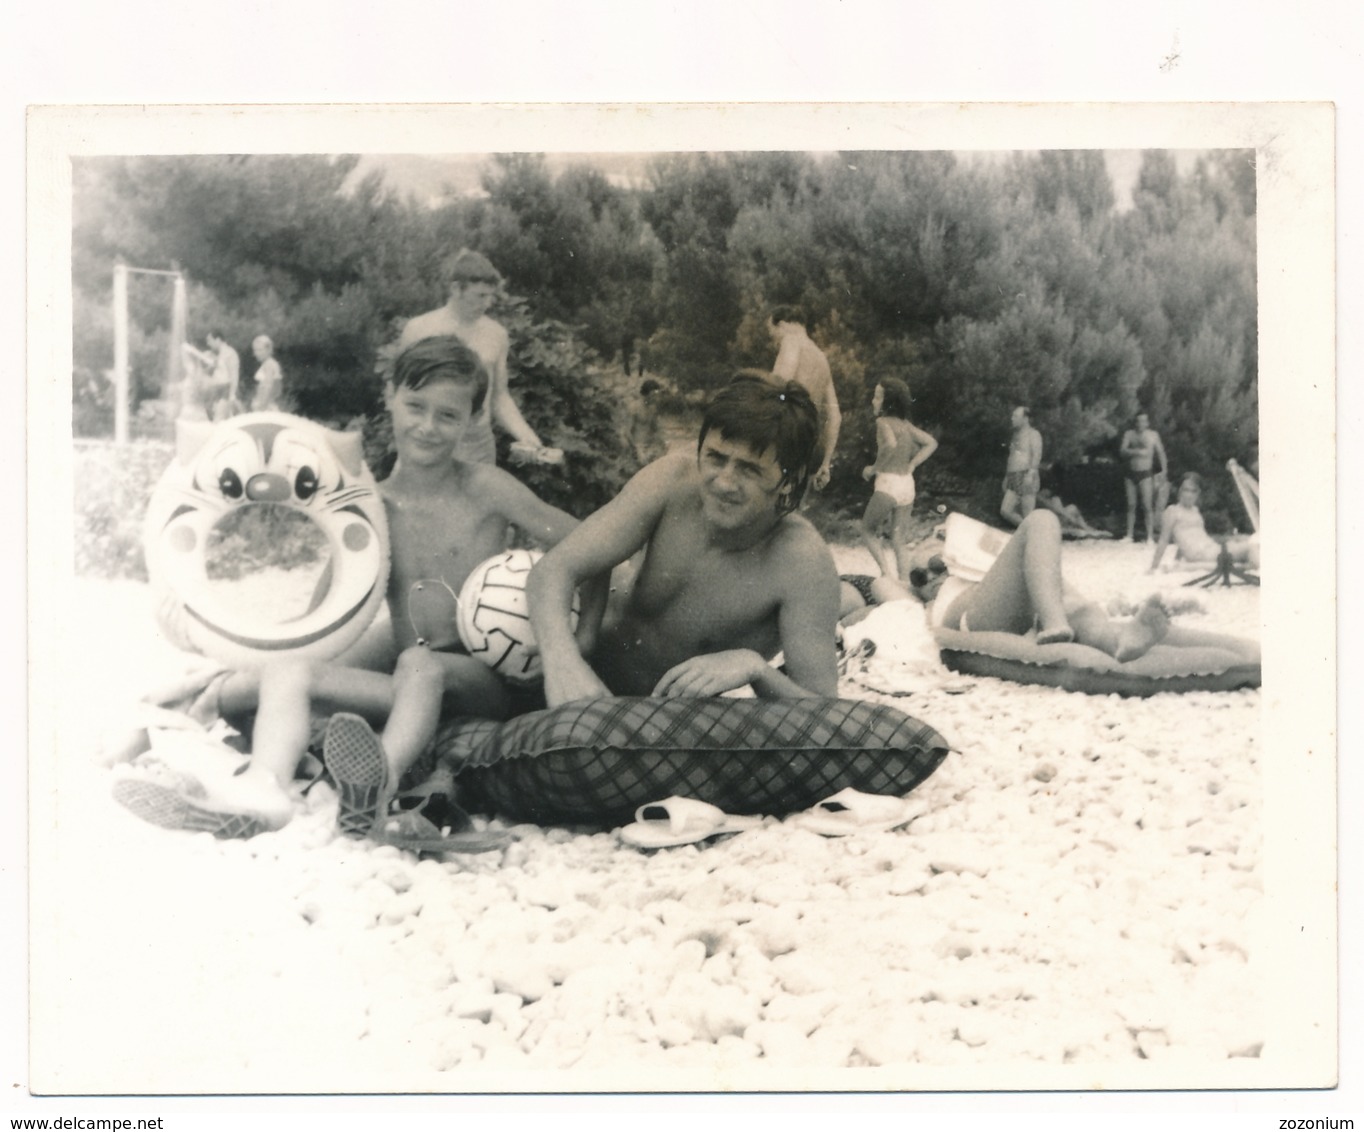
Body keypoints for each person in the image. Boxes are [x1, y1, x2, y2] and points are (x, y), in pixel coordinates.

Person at [159, 336, 603, 835]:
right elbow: (321, 618)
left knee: (418, 661)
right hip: (407, 682)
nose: (428, 427)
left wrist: (578, 645)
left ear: (472, 420)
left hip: (485, 683)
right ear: (389, 396)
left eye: (448, 416)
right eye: (416, 407)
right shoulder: (372, 507)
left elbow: (592, 548)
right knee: (291, 672)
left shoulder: (486, 488)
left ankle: (374, 790)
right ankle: (264, 789)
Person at [528, 376, 841, 708]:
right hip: (582, 674)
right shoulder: (671, 481)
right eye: (716, 458)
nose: (723, 482)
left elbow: (826, 712)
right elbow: (553, 569)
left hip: (661, 722)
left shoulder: (802, 561)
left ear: (788, 483)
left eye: (749, 470)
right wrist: (565, 658)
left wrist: (756, 669)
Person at [913, 510, 1170, 662]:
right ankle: (1055, 622)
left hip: (1022, 613)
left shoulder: (973, 569)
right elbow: (884, 587)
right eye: (918, 577)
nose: (930, 576)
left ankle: (1117, 643)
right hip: (974, 615)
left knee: (1075, 607)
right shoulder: (931, 602)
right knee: (1041, 520)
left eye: (937, 564)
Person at [397, 249, 547, 466]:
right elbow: (398, 392)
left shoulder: (497, 334)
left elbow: (499, 397)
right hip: (427, 439)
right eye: (480, 296)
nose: (488, 304)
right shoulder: (419, 329)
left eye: (490, 296)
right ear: (456, 289)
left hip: (477, 445)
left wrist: (526, 435)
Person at [860, 378, 938, 581]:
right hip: (907, 484)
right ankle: (904, 581)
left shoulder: (882, 422)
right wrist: (913, 464)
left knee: (867, 529)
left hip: (888, 483)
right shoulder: (906, 425)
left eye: (877, 396)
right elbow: (931, 442)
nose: (873, 401)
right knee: (898, 539)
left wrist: (874, 468)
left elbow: (890, 444)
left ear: (888, 402)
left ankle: (885, 574)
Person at [769, 305, 840, 491]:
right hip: (810, 445)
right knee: (791, 509)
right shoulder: (822, 358)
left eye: (772, 334)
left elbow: (779, 385)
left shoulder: (791, 340)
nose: (774, 342)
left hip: (786, 438)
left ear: (782, 324)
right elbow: (835, 417)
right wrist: (825, 464)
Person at [1148, 472, 1259, 573]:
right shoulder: (1172, 511)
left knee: (1249, 543)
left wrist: (1177, 560)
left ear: (1198, 493)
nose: (1189, 494)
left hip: (1211, 549)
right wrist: (1153, 567)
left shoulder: (1194, 510)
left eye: (1193, 491)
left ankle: (1249, 567)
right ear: (1179, 491)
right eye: (1186, 490)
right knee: (1251, 547)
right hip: (1201, 554)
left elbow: (1188, 537)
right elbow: (1163, 540)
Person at [1120, 411, 1169, 542]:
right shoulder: (1129, 434)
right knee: (1131, 504)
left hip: (1145, 473)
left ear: (1147, 423)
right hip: (1131, 473)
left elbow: (1161, 453)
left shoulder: (1153, 435)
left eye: (1143, 421)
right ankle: (1129, 535)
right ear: (1135, 422)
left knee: (1147, 505)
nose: (1140, 423)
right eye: (1138, 421)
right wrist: (1138, 452)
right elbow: (1122, 450)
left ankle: (1150, 537)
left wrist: (1164, 471)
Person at [1000, 406, 1043, 527]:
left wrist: (1031, 474)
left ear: (1025, 418)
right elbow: (1012, 457)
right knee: (1005, 510)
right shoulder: (1015, 436)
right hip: (1013, 476)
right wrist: (1007, 477)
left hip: (1026, 475)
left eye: (1016, 416)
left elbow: (1037, 455)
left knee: (1027, 514)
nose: (1012, 418)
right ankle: (1028, 532)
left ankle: (1031, 536)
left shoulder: (1033, 434)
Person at [250, 335, 284, 412]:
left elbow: (268, 386)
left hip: (266, 406)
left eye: (260, 350)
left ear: (268, 350)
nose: (256, 353)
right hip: (265, 403)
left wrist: (261, 406)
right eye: (255, 350)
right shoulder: (267, 364)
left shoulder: (269, 364)